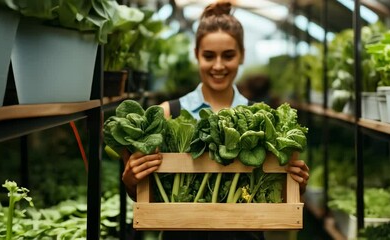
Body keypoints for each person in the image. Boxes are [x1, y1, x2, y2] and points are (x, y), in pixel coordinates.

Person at [121, 2, 309, 239]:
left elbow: (277, 197)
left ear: (241, 56)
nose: (218, 65)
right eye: (209, 56)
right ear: (196, 55)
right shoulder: (168, 114)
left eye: (228, 55)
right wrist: (131, 182)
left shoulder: (265, 121)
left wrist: (296, 187)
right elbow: (146, 196)